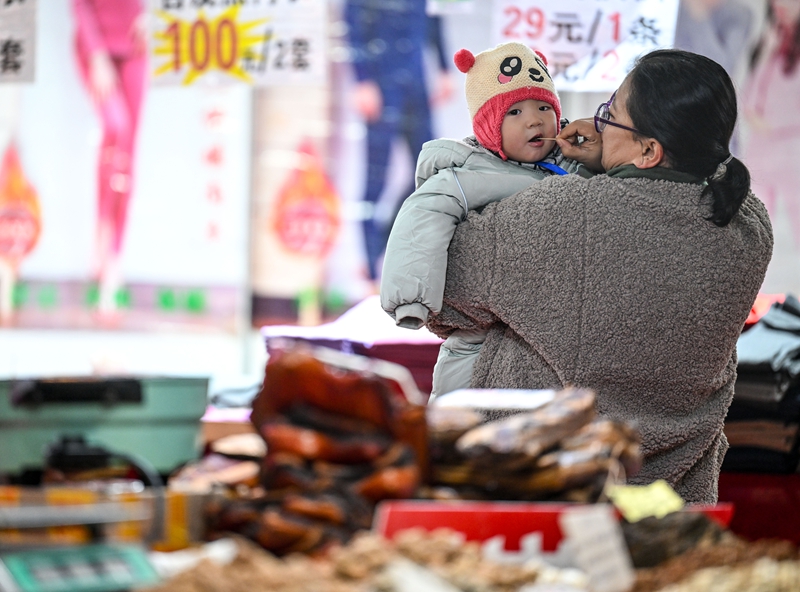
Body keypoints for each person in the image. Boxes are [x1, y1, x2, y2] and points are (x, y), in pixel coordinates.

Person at [425, 49, 774, 504]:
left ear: (649, 150)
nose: (596, 124)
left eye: (611, 115)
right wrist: (608, 160)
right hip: (676, 499)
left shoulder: (570, 214)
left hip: (549, 491)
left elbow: (439, 291)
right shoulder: (748, 223)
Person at [381, 42, 589, 399]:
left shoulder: (571, 166)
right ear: (488, 126)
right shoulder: (468, 174)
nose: (534, 120)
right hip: (479, 332)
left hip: (552, 328)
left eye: (543, 107)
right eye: (514, 112)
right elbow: (422, 216)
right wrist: (412, 297)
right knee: (462, 405)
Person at [343, 0, 454, 283]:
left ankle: (385, 245)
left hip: (415, 82)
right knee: (375, 179)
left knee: (430, 171)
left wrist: (443, 69)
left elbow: (433, 18)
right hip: (381, 82)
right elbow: (352, 24)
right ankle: (370, 269)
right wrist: (362, 80)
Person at [71, 0, 148, 315]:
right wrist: (96, 54)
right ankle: (101, 238)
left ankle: (114, 257)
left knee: (128, 152)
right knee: (115, 129)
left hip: (135, 46)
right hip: (97, 49)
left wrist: (147, 14)